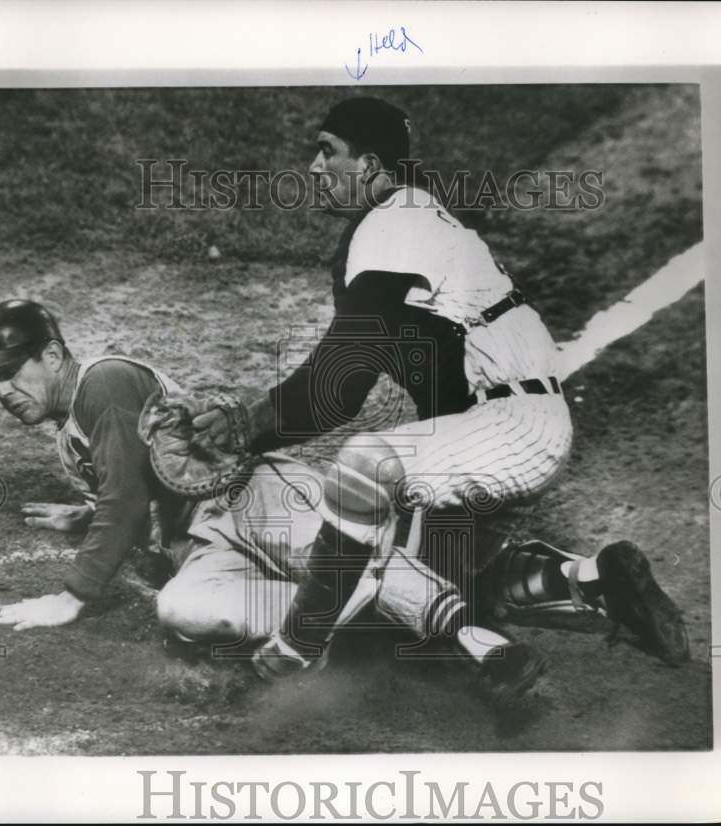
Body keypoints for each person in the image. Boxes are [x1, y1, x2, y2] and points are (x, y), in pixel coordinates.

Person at [189, 97, 691, 679]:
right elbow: (353, 387)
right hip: (503, 424)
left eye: (328, 152)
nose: (313, 167)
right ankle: (597, 579)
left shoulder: (390, 229)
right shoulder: (410, 218)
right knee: (433, 587)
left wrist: (243, 425)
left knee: (365, 465)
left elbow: (335, 384)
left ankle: (297, 647)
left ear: (371, 167)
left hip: (509, 428)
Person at [0, 300, 546, 714]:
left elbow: (128, 500)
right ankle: (351, 626)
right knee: (183, 611)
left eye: (12, 371)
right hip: (203, 546)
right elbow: (130, 490)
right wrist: (87, 515)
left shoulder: (105, 386)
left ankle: (490, 648)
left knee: (348, 561)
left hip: (250, 497)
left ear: (55, 354)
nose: (4, 389)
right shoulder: (74, 423)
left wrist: (72, 596)